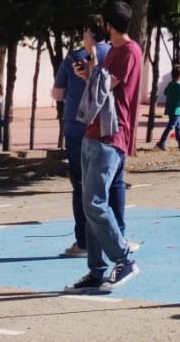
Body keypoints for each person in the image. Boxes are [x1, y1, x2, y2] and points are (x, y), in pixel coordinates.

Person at [65, 0, 143, 293]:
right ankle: (96, 272)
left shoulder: (127, 52)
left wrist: (90, 56)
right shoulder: (112, 54)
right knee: (91, 205)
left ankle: (123, 259)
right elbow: (100, 88)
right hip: (94, 133)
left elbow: (105, 87)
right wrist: (90, 71)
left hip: (110, 136)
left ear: (108, 25)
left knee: (95, 203)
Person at [52, 20, 127, 256]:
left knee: (83, 187)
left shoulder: (76, 56)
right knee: (114, 183)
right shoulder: (115, 53)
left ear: (87, 34)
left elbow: (57, 93)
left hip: (79, 125)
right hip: (111, 125)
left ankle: (84, 242)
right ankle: (118, 236)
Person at [159, 64, 180, 150]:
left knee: (178, 126)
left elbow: (165, 92)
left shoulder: (170, 84)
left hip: (170, 108)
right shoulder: (179, 85)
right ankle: (161, 142)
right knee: (171, 126)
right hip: (176, 110)